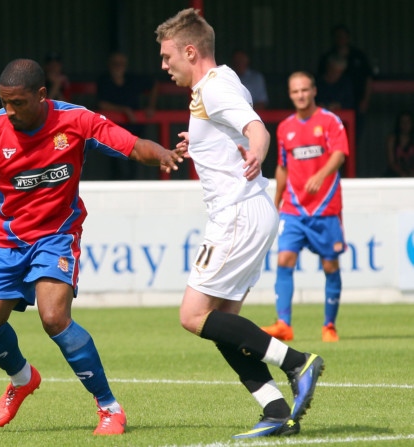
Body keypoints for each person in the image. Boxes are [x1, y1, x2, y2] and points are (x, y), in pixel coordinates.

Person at [0, 58, 183, 436]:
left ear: (42, 95)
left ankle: (109, 407)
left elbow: (132, 145)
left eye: (18, 103)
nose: (9, 111)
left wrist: (162, 155)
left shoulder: (76, 122)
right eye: (3, 102)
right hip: (7, 238)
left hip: (57, 235)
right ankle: (22, 379)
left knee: (54, 317)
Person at [155, 8, 324, 439]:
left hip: (235, 214)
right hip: (250, 211)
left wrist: (257, 149)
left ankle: (296, 362)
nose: (163, 65)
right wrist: (201, 143)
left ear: (190, 51)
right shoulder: (221, 81)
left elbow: (255, 127)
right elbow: (235, 126)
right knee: (224, 325)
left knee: (193, 315)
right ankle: (276, 411)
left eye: (167, 55)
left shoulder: (212, 90)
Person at [261, 71, 349, 343]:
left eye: (305, 90)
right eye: (295, 91)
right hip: (294, 208)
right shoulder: (285, 128)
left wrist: (320, 176)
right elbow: (282, 167)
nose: (300, 95)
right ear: (290, 94)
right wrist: (275, 202)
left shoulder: (330, 121)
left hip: (325, 208)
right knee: (284, 259)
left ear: (313, 91)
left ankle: (329, 326)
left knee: (330, 266)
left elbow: (340, 154)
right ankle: (284, 324)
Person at [94, 52, 159, 180]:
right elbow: (102, 104)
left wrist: (151, 106)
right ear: (109, 65)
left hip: (134, 127)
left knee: (136, 159)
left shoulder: (132, 79)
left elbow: (154, 84)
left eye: (121, 63)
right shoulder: (104, 80)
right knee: (116, 160)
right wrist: (123, 110)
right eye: (115, 63)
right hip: (113, 129)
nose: (118, 66)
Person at [317, 24, 373, 138]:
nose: (340, 39)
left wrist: (365, 100)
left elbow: (368, 78)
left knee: (352, 137)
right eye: (338, 36)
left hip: (354, 103)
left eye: (343, 36)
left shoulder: (359, 56)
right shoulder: (326, 58)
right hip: (326, 111)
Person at [384, 111, 414, 177]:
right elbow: (391, 162)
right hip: (395, 174)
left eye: (408, 122)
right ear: (399, 123)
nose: (405, 125)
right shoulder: (392, 139)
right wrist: (402, 173)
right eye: (403, 122)